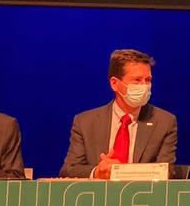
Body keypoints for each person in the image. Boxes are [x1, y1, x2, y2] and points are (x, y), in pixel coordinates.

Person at [60, 49, 178, 179]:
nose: (144, 86)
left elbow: (166, 172)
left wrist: (119, 172)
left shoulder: (164, 122)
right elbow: (69, 170)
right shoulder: (85, 122)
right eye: (137, 80)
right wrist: (98, 172)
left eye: (148, 80)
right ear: (115, 84)